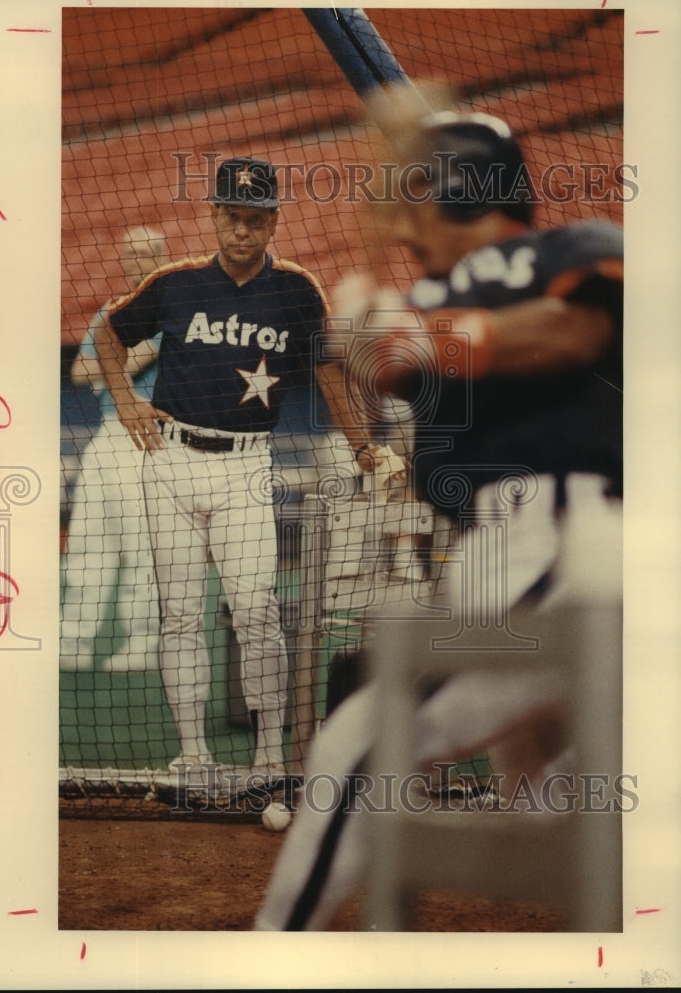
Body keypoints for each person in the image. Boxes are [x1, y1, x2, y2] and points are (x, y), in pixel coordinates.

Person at [255, 92, 623, 930]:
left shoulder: (567, 249)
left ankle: (272, 955)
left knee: (359, 742)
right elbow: (395, 372)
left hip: (568, 539)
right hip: (503, 549)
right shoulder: (428, 303)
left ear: (461, 192)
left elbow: (574, 332)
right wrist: (367, 337)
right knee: (548, 801)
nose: (402, 226)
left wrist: (417, 339)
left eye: (415, 200)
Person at [94, 157, 385, 780]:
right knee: (179, 613)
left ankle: (269, 754)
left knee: (255, 608)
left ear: (274, 221)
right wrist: (125, 400)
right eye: (232, 216)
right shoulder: (174, 283)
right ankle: (193, 752)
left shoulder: (298, 290)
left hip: (248, 466)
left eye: (255, 218)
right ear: (215, 216)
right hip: (170, 459)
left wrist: (363, 446)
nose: (242, 230)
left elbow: (329, 372)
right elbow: (109, 335)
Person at [60, 225, 168, 672]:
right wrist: (112, 365)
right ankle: (74, 639)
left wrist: (107, 365)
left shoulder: (169, 306)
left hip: (149, 435)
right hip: (108, 433)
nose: (135, 262)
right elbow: (79, 373)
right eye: (129, 254)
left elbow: (136, 360)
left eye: (145, 254)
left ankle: (142, 641)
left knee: (143, 541)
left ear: (162, 257)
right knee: (88, 538)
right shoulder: (111, 310)